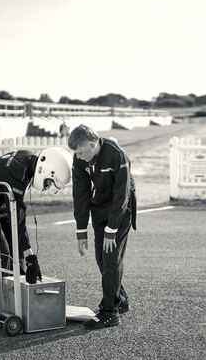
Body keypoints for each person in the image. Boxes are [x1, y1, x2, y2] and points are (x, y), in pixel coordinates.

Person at [0, 147, 73, 309]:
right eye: (49, 182)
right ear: (46, 169)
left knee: (17, 248)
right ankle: (0, 303)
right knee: (3, 253)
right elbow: (19, 218)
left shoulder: (29, 159)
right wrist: (31, 257)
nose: (46, 186)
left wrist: (27, 256)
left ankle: (21, 295)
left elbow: (17, 221)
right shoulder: (17, 175)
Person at [68, 124, 137, 330]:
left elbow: (121, 195)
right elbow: (80, 194)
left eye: (81, 152)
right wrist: (81, 231)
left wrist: (111, 230)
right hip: (100, 207)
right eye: (76, 153)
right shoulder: (79, 160)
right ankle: (120, 299)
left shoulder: (117, 155)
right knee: (101, 258)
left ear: (92, 144)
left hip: (121, 208)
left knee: (111, 259)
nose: (78, 157)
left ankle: (110, 312)